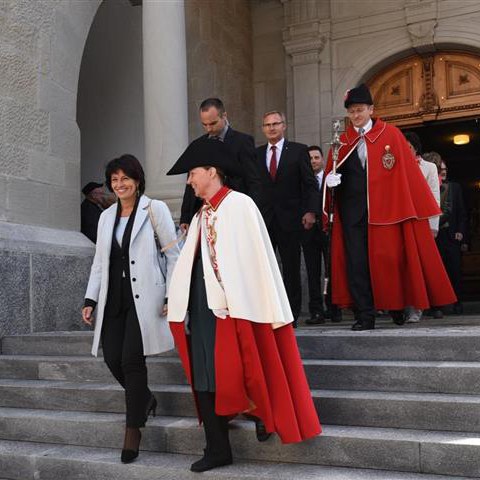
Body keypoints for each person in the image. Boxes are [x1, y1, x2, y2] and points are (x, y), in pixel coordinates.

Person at [166, 138, 321, 473]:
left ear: (212, 172)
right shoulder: (199, 216)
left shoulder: (241, 206)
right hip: (203, 311)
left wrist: (241, 302)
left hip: (237, 311)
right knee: (206, 380)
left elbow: (255, 266)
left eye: (193, 173)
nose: (190, 181)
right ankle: (218, 448)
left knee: (245, 371)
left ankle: (263, 416)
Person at [323, 84, 456, 331]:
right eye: (352, 111)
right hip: (353, 216)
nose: (356, 115)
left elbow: (408, 176)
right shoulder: (341, 142)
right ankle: (365, 315)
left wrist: (417, 211)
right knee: (357, 265)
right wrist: (330, 185)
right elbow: (331, 178)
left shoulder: (391, 135)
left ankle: (396, 307)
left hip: (387, 213)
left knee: (390, 262)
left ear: (371, 109)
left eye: (360, 110)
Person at [81, 154, 179, 463]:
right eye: (114, 180)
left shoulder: (155, 209)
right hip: (114, 297)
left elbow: (172, 254)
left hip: (145, 297)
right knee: (112, 358)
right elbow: (100, 261)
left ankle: (132, 430)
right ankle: (145, 398)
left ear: (137, 181)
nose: (120, 184)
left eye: (125, 179)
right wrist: (90, 298)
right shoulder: (107, 216)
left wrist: (170, 295)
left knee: (131, 360)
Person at [256, 111, 320, 326]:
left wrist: (310, 211)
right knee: (265, 269)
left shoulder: (299, 151)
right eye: (267, 125)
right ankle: (268, 313)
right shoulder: (257, 154)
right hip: (264, 221)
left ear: (284, 126)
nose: (271, 128)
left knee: (291, 268)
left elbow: (309, 184)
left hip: (291, 220)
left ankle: (290, 315)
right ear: (263, 128)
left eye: (276, 124)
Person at [179, 98, 261, 231]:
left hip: (233, 213)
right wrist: (185, 216)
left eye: (213, 123)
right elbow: (190, 185)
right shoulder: (197, 145)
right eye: (204, 124)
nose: (209, 128)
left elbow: (254, 181)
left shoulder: (242, 142)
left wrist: (250, 214)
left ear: (224, 116)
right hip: (202, 213)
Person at [403, 132, 441, 323]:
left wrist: (434, 225)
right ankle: (404, 305)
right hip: (402, 222)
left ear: (415, 148)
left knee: (420, 266)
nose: (404, 150)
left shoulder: (429, 167)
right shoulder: (396, 167)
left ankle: (419, 306)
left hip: (422, 222)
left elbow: (434, 196)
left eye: (408, 147)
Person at [303, 146, 342, 324]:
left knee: (332, 271)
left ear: (322, 159)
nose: (313, 161)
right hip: (309, 232)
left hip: (328, 231)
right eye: (310, 158)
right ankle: (316, 311)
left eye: (316, 158)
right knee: (312, 272)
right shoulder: (302, 181)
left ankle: (334, 309)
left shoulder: (330, 179)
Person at [434, 158, 467, 315]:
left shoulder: (455, 187)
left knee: (455, 271)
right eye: (441, 169)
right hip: (436, 235)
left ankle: (457, 303)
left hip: (452, 235)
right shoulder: (431, 186)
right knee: (439, 271)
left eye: (445, 168)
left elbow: (461, 212)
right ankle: (439, 306)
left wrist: (461, 231)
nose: (444, 171)